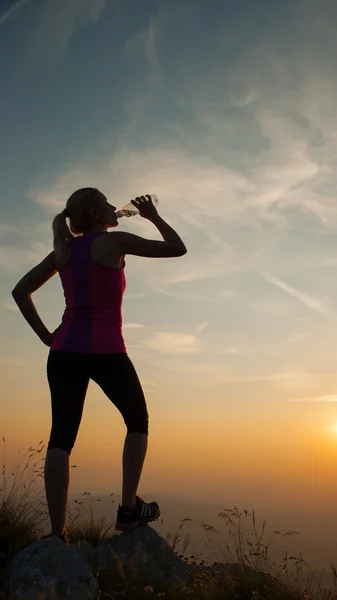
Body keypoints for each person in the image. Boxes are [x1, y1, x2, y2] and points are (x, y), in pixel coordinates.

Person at [11, 188, 187, 544]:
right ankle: (128, 510)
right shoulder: (114, 242)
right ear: (94, 213)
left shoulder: (62, 251)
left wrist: (47, 335)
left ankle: (57, 534)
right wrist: (152, 216)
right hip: (106, 349)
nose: (113, 207)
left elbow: (20, 290)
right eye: (107, 202)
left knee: (61, 438)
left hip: (64, 351)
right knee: (137, 420)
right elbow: (176, 247)